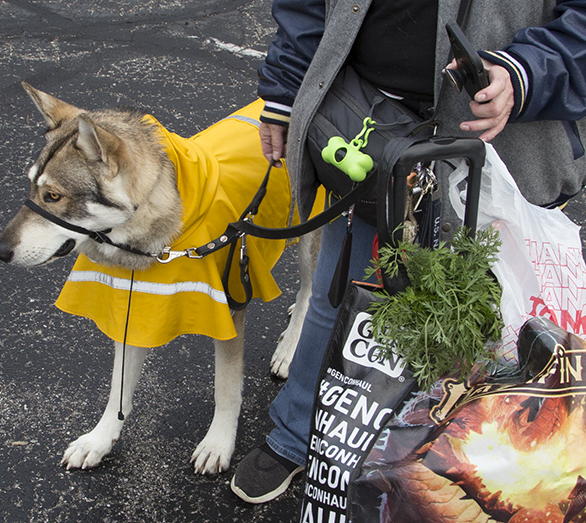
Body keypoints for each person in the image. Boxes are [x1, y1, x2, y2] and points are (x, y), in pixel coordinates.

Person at [230, 0, 586, 504]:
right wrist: (287, 92)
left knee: (494, 329)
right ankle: (296, 435)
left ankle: (461, 474)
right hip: (369, 122)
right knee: (341, 300)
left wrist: (528, 70)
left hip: (505, 142)